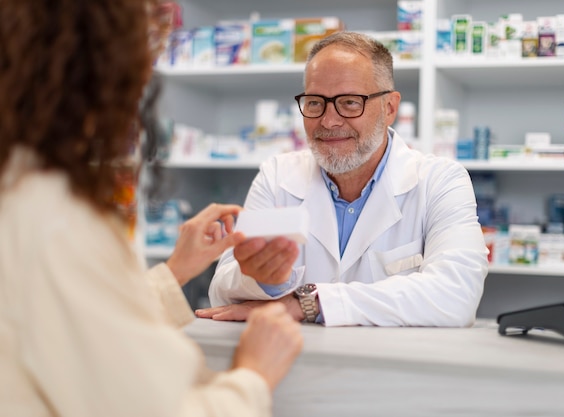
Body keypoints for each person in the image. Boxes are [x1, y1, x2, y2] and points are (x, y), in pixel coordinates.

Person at [0, 2, 302, 417]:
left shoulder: (19, 188)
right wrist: (253, 374)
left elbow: (72, 324)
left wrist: (175, 270)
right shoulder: (56, 217)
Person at [199, 31, 489, 327]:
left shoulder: (440, 181)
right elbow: (223, 289)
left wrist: (307, 302)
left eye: (350, 102)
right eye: (314, 103)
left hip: (397, 368)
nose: (329, 120)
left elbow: (456, 295)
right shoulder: (276, 177)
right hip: (294, 363)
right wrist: (264, 281)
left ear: (389, 108)